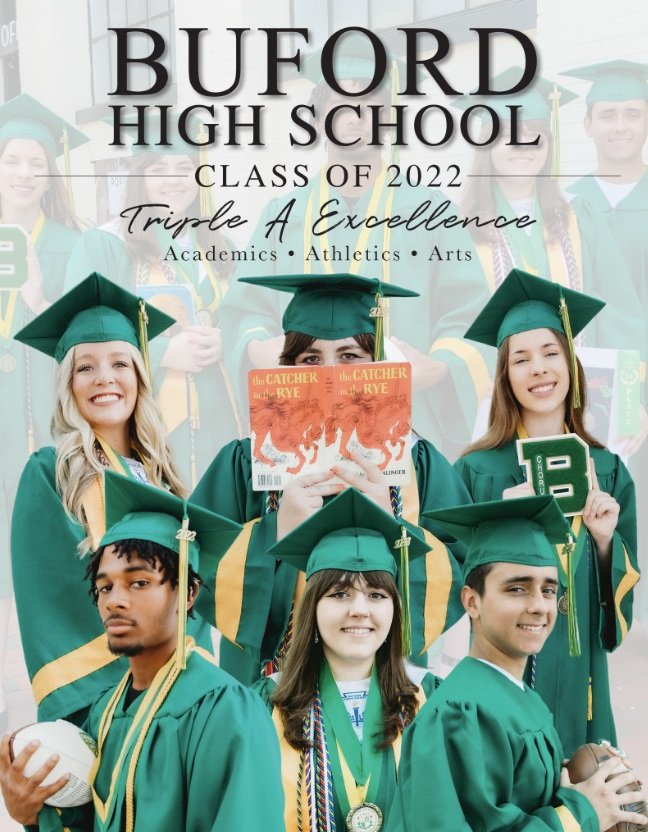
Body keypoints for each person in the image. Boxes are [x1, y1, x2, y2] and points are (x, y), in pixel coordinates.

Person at [219, 36, 491, 461]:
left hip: (412, 423)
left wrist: (439, 366)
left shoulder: (433, 211)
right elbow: (244, 309)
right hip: (300, 424)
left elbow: (470, 315)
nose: (355, 118)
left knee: (407, 524)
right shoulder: (282, 211)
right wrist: (257, 346)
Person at [192, 273, 471, 685]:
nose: (330, 375)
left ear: (377, 365)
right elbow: (196, 566)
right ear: (286, 368)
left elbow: (462, 571)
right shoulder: (245, 462)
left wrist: (389, 527)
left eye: (349, 356)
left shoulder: (418, 463)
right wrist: (277, 530)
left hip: (385, 688)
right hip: (269, 686)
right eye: (310, 359)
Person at [0, 471, 284, 832]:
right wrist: (32, 815)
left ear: (188, 593)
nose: (115, 601)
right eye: (104, 587)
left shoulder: (226, 710)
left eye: (139, 582)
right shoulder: (104, 713)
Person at [454, 268, 639, 756]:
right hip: (502, 671)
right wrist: (501, 527)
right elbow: (453, 581)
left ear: (572, 367)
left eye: (551, 353)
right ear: (505, 377)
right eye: (521, 359)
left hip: (582, 677)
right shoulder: (477, 471)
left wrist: (603, 542)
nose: (538, 369)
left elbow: (620, 607)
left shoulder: (608, 469)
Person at [10, 272, 208, 725]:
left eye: (120, 363)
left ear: (139, 375)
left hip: (182, 697)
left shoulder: (165, 478)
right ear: (68, 383)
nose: (106, 379)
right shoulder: (51, 472)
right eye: (86, 367)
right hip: (110, 703)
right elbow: (54, 600)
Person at [388, 495, 647, 832]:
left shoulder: (519, 696)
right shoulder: (458, 712)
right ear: (472, 601)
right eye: (517, 589)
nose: (539, 606)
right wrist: (582, 812)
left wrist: (576, 785)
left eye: (549, 590)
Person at [65, 113, 244, 486]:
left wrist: (226, 340)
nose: (175, 180)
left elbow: (245, 315)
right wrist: (161, 351)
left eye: (185, 167)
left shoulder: (219, 247)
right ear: (140, 176)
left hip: (221, 425)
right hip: (145, 425)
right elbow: (83, 336)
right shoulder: (105, 245)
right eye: (161, 169)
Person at [257, 487, 438, 832]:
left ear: (395, 608)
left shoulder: (430, 699)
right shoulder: (266, 703)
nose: (359, 610)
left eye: (376, 594)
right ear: (312, 609)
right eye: (339, 594)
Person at [456, 69, 646, 369]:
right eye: (507, 136)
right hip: (496, 399)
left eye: (535, 136)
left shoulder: (579, 216)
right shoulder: (459, 227)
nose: (523, 146)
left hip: (576, 394)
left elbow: (617, 313)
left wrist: (627, 391)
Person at [0, 93, 87, 732]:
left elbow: (85, 335)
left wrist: (34, 295)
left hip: (49, 416)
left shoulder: (71, 244)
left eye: (37, 160)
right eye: (13, 159)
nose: (25, 171)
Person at [562, 59, 648, 615]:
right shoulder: (565, 206)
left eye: (633, 114)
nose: (620, 126)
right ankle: (598, 606)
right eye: (608, 114)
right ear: (588, 123)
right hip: (590, 384)